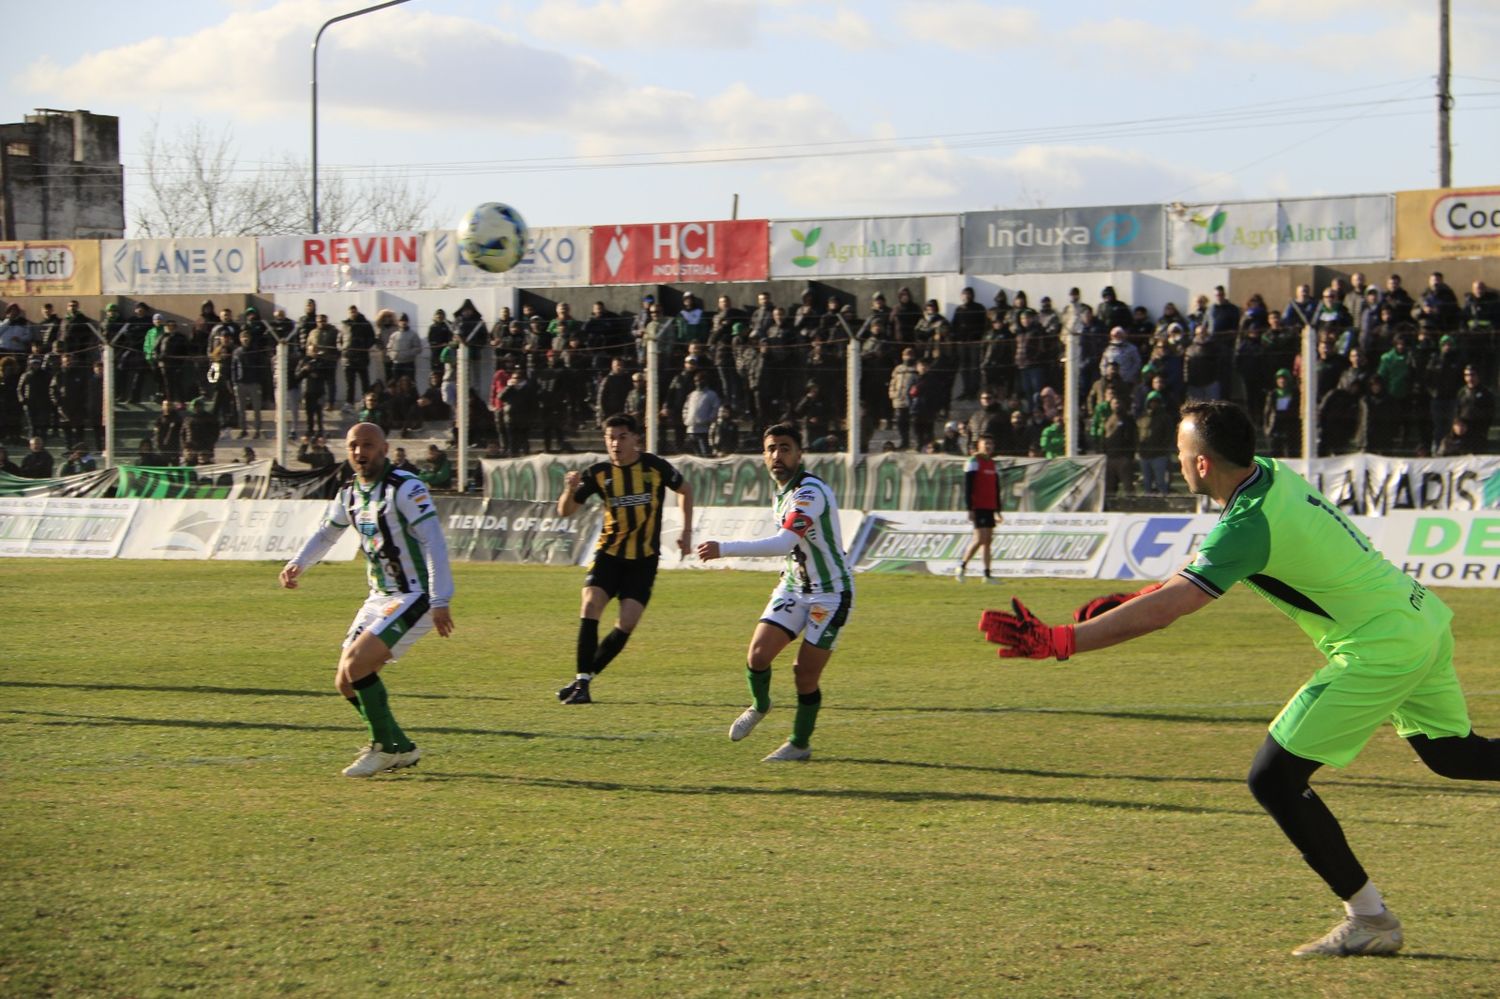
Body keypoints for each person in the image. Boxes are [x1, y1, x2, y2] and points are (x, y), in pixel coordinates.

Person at [981, 400, 1499, 957]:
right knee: (1455, 756)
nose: (1177, 462)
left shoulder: (1246, 524)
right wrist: (1141, 596)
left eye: (1181, 453)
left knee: (1273, 779)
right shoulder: (1272, 473)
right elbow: (1188, 581)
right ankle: (1370, 919)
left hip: (1381, 646)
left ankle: (1371, 919)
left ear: (1202, 465)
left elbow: (1172, 606)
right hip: (1419, 616)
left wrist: (1061, 641)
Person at [279, 423, 455, 778]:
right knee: (345, 680)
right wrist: (299, 562)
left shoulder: (405, 488)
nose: (361, 453)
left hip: (414, 595)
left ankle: (382, 747)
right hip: (380, 596)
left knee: (358, 665)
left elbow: (433, 541)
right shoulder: (350, 493)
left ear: (385, 448)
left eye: (369, 445)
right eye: (354, 446)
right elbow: (327, 533)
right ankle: (402, 747)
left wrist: (440, 598)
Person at [697, 423, 853, 761]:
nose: (777, 455)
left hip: (830, 594)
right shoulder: (782, 492)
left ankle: (799, 744)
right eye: (770, 449)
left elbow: (785, 541)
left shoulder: (808, 493)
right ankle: (760, 705)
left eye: (784, 448)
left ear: (799, 454)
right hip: (795, 586)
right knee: (757, 656)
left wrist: (724, 548)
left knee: (804, 674)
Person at [555, 413, 694, 705]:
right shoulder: (598, 473)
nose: (615, 444)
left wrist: (686, 530)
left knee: (626, 623)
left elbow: (685, 489)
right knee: (590, 605)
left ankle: (584, 679)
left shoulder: (654, 467)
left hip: (643, 560)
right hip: (608, 555)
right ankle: (583, 682)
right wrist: (569, 489)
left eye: (621, 437)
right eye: (610, 438)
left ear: (635, 439)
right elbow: (565, 511)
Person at [956, 434, 1002, 583]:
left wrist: (998, 509)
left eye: (991, 444)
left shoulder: (993, 464)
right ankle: (961, 566)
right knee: (980, 539)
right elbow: (968, 486)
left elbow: (996, 487)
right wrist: (970, 508)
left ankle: (987, 575)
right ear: (979, 445)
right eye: (985, 443)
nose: (988, 446)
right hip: (978, 506)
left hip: (989, 506)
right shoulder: (974, 461)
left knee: (987, 541)